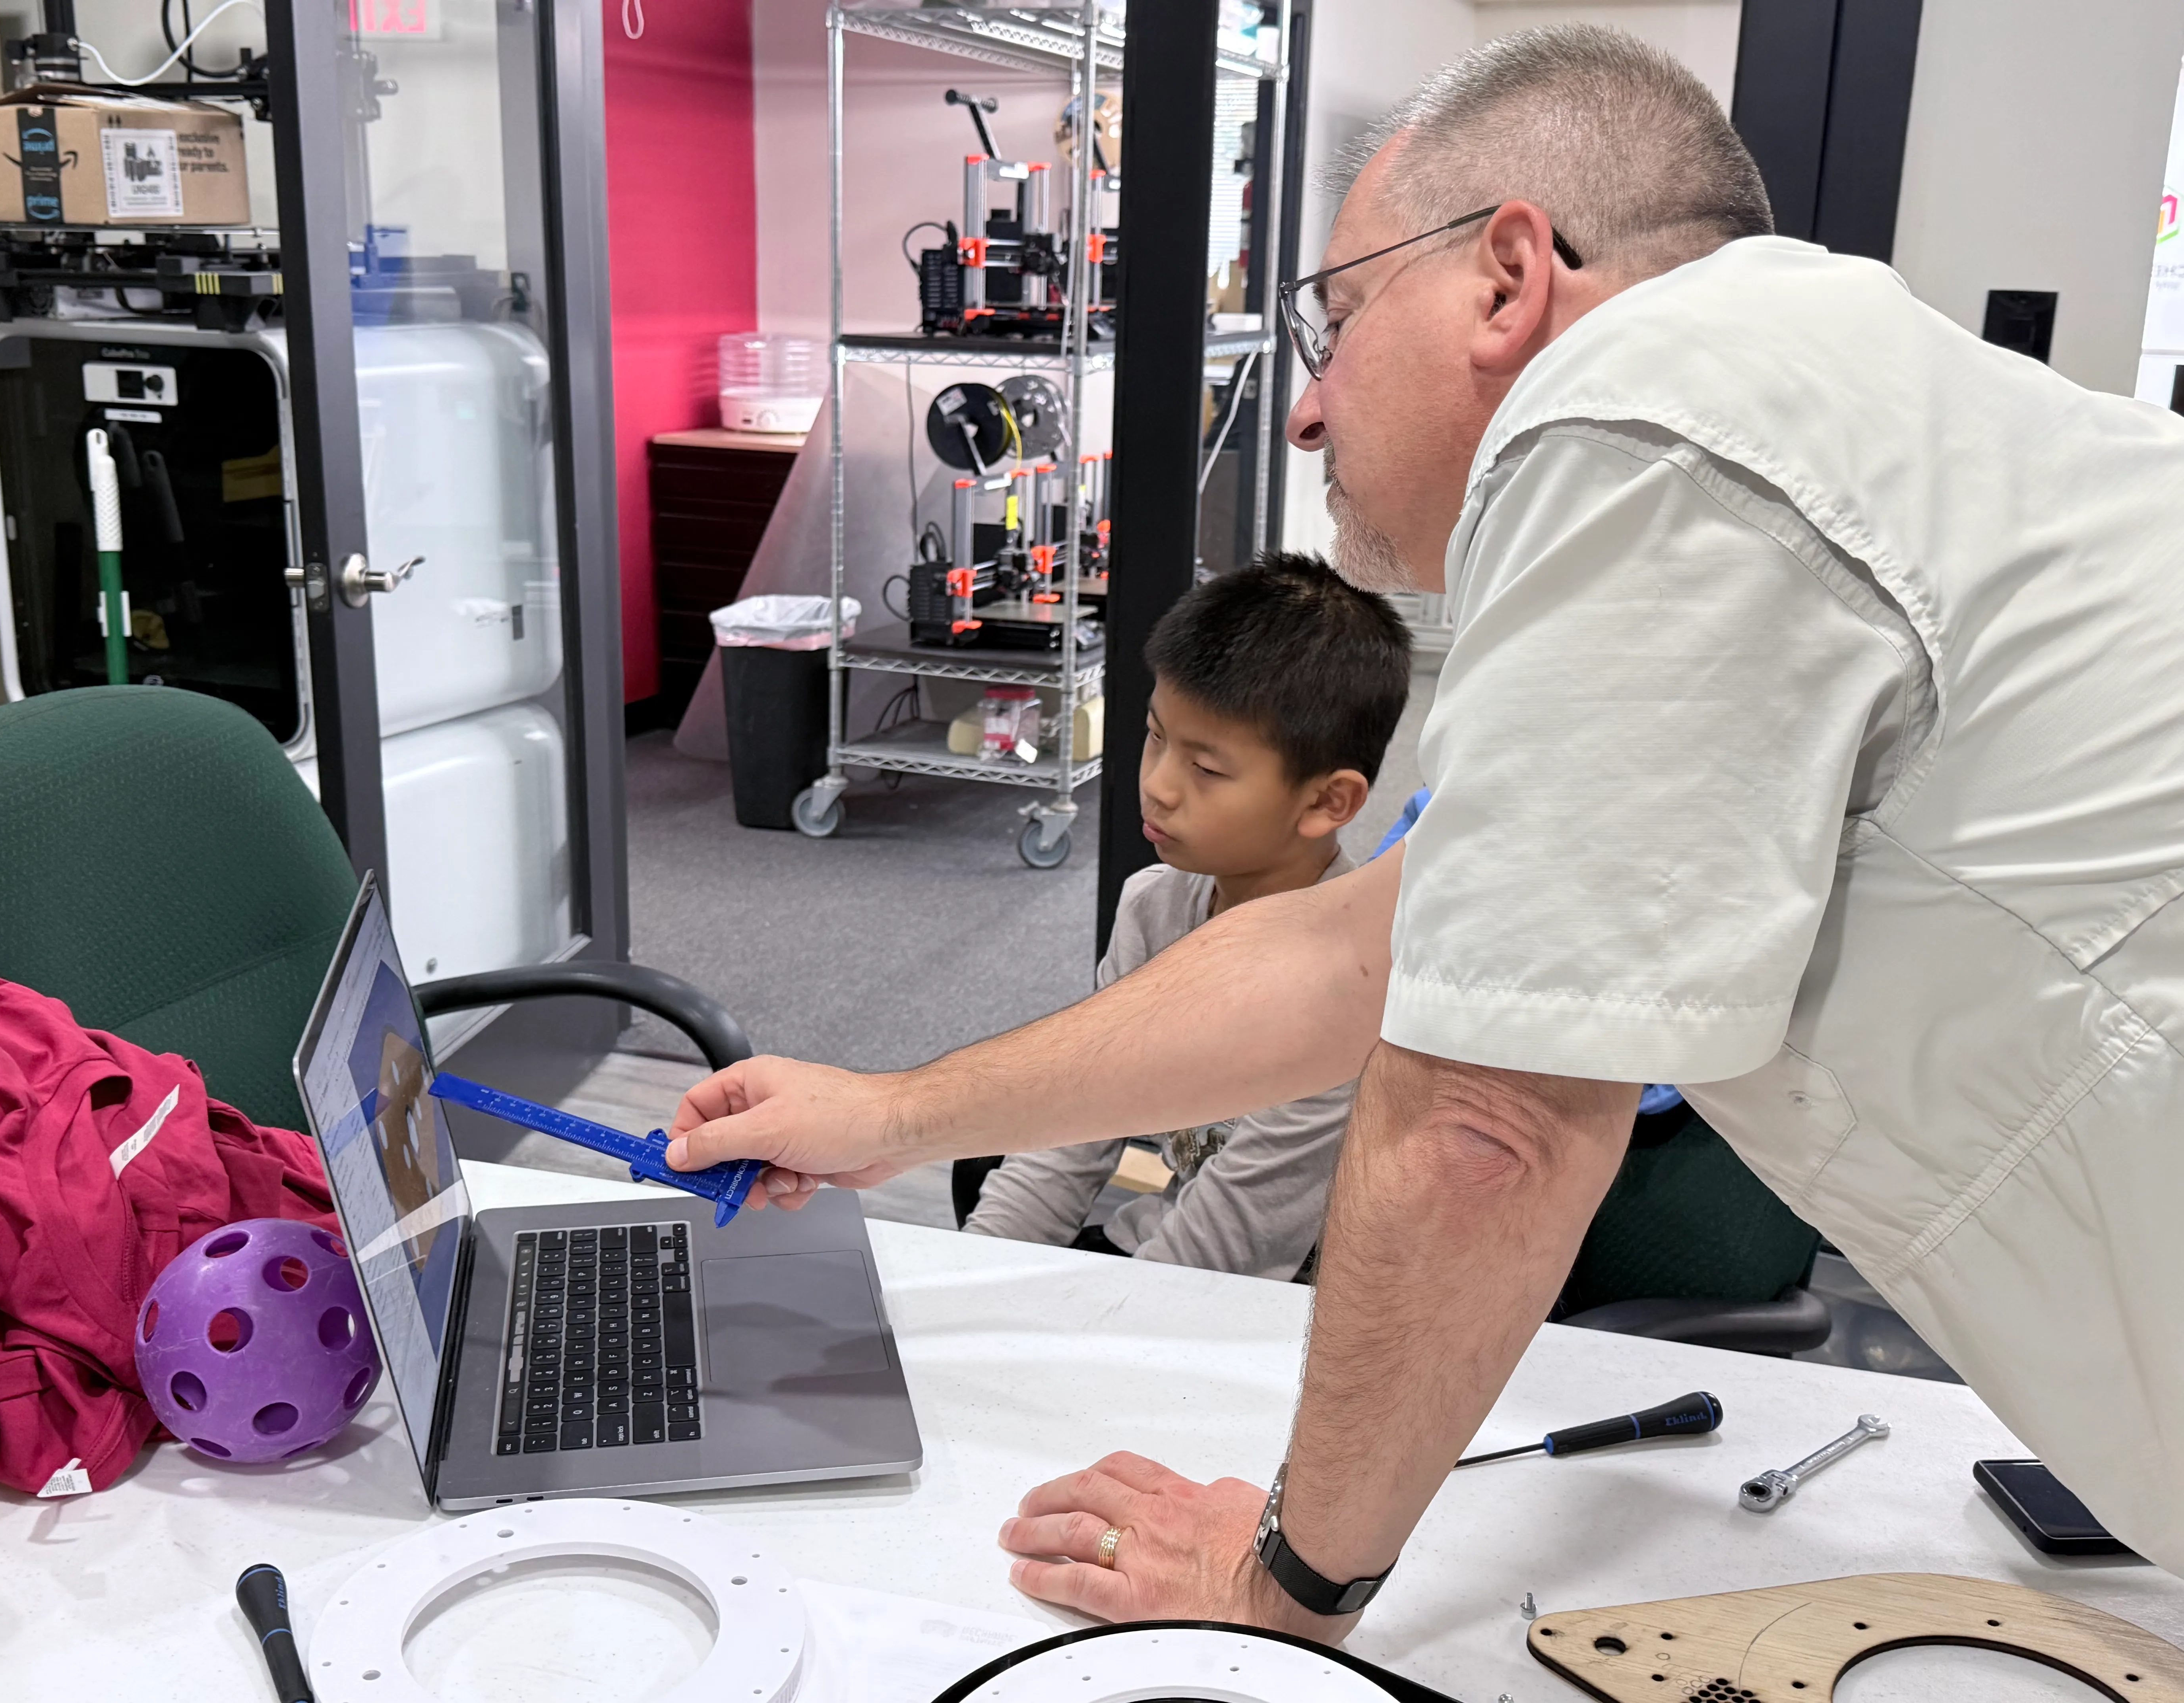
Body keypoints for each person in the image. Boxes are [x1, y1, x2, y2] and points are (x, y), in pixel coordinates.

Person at [669, 20, 2184, 1631]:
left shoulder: (1645, 410)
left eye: (1333, 323)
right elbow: (1357, 953)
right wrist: (894, 1115)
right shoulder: (1818, 410)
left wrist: (1286, 1583)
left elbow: (1492, 1121)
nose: (1308, 418)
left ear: (1508, 276)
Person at [961, 553, 1409, 1279]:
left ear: (1329, 803)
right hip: (1165, 1251)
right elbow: (1075, 1118)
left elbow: (1232, 1246)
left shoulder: (1349, 982)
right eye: (1156, 735)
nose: (1158, 786)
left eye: (1207, 769)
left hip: (1293, 1310)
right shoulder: (1155, 905)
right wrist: (965, 1278)